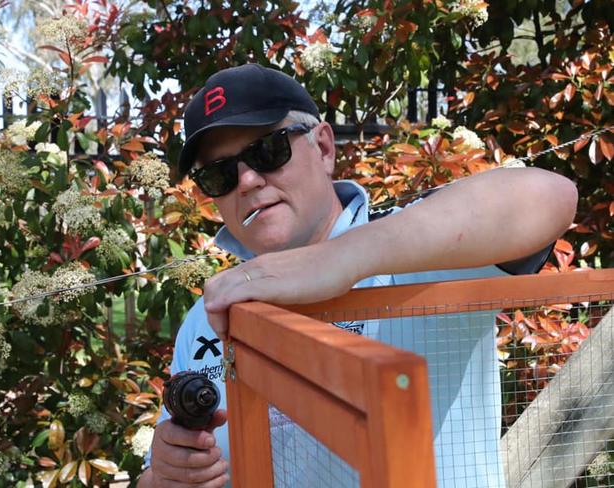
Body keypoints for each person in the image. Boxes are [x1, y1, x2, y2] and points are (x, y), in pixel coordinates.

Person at [138, 63, 577, 487]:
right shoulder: (205, 318)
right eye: (219, 175)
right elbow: (164, 474)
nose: (248, 180)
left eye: (267, 150)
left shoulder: (411, 256)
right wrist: (164, 475)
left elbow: (549, 195)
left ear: (324, 147)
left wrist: (338, 259)